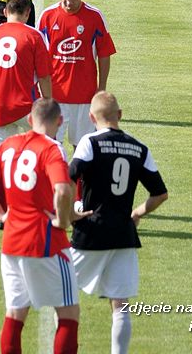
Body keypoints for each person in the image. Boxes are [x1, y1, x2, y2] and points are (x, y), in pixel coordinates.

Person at [0, 98, 81, 354]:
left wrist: (1, 215)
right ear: (60, 121)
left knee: (15, 314)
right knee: (68, 311)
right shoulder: (52, 149)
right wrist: (62, 221)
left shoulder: (9, 145)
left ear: (30, 120)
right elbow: (63, 189)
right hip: (45, 241)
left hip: (11, 241)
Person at [69, 92, 168, 354]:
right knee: (120, 304)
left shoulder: (89, 142)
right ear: (120, 115)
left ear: (91, 117)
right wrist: (136, 215)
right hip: (123, 233)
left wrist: (70, 212)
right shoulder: (139, 147)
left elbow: (69, 176)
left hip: (90, 231)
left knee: (62, 293)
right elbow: (160, 194)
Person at [38, 0, 116, 147]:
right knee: (50, 146)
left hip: (85, 96)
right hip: (54, 96)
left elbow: (104, 55)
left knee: (83, 147)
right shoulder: (47, 16)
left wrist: (101, 89)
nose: (68, 3)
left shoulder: (95, 17)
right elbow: (38, 56)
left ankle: (79, 176)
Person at [0, 0, 52, 150]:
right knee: (38, 155)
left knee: (1, 161)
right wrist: (49, 105)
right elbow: (44, 76)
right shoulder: (34, 36)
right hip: (28, 106)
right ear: (28, 13)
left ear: (4, 12)